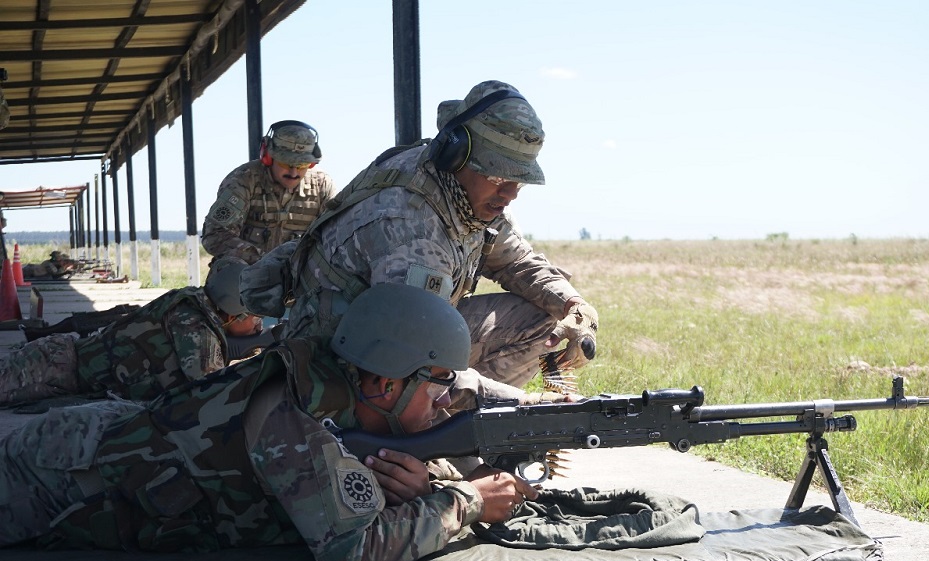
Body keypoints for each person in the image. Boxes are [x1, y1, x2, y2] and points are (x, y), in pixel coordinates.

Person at [0, 283, 538, 561]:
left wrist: (429, 486)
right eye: (438, 382)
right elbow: (354, 553)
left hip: (92, 446)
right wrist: (466, 502)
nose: (445, 399)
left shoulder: (345, 390)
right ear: (384, 382)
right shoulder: (294, 420)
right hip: (62, 472)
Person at [243, 81, 599, 410]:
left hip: (399, 343)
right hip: (344, 367)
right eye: (498, 175)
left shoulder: (467, 195)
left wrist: (575, 306)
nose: (510, 194)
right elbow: (412, 362)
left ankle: (453, 425)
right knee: (422, 402)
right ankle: (446, 434)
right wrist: (521, 402)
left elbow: (515, 261)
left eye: (519, 181)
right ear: (455, 154)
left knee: (544, 317)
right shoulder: (411, 226)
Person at [0, 256, 261, 406]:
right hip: (57, 366)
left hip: (65, 370)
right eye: (255, 317)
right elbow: (211, 388)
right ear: (232, 313)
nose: (258, 324)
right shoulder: (193, 323)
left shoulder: (193, 301)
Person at [201, 120, 337, 264]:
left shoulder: (322, 185)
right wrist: (266, 261)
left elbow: (335, 236)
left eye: (302, 165)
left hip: (299, 271)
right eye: (285, 163)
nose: (294, 172)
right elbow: (215, 235)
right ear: (268, 158)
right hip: (247, 270)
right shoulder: (244, 179)